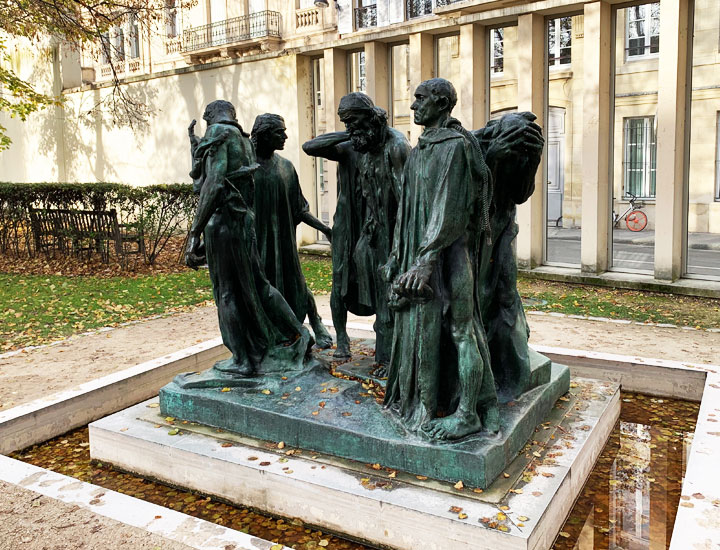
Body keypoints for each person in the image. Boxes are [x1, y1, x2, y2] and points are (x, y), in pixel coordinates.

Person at [382, 79, 498, 440]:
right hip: (420, 256)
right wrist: (397, 256)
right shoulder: (421, 149)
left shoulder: (455, 146)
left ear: (442, 103)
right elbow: (408, 209)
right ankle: (426, 401)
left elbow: (449, 209)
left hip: (449, 256)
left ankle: (468, 414)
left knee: (463, 330)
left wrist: (426, 260)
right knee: (437, 330)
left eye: (420, 99)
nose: (413, 106)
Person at [184, 100, 313, 378]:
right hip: (244, 223)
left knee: (228, 293)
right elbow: (210, 180)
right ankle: (298, 333)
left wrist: (195, 232)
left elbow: (213, 183)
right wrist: (197, 150)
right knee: (260, 285)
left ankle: (242, 359)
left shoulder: (217, 133)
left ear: (209, 116)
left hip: (223, 224)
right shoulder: (243, 141)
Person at [302, 93, 410, 365]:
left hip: (377, 227)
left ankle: (388, 352)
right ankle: (343, 338)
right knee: (340, 281)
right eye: (344, 122)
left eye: (352, 120)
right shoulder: (352, 146)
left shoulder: (392, 145)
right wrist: (352, 131)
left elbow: (406, 198)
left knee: (382, 287)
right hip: (349, 226)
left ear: (369, 116)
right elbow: (310, 146)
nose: (349, 127)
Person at [472, 112, 544, 399]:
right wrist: (492, 157)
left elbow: (521, 194)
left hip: (501, 227)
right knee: (478, 293)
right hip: (474, 232)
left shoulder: (524, 147)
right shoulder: (473, 144)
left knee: (505, 291)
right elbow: (465, 191)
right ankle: (482, 367)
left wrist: (533, 160)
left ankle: (509, 362)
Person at [250, 113, 334, 349]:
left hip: (284, 241)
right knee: (261, 289)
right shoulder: (247, 168)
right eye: (280, 132)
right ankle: (268, 334)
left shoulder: (286, 167)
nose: (285, 136)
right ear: (264, 135)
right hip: (257, 244)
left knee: (296, 283)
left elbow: (300, 209)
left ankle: (316, 322)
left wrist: (325, 229)